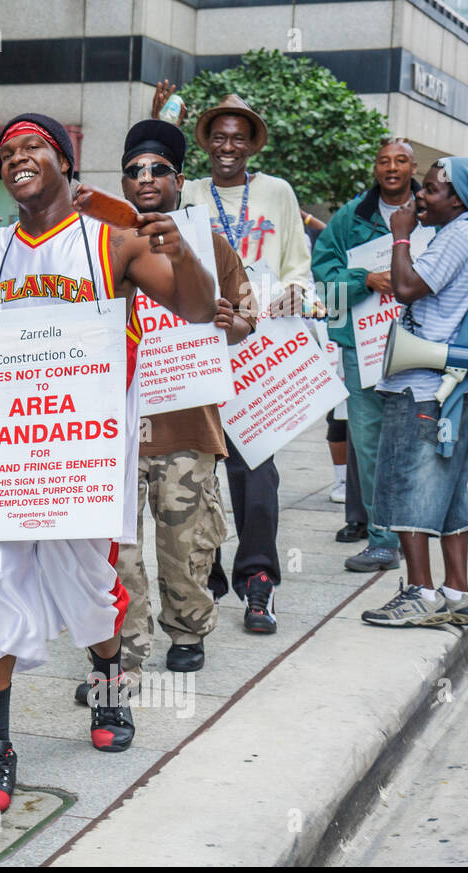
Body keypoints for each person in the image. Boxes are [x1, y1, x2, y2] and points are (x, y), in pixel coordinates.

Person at [0, 112, 215, 814]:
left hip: (82, 456)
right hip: (4, 457)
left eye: (33, 148)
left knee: (92, 586)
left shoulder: (111, 245)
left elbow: (199, 308)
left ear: (63, 161)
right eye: (7, 152)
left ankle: (109, 688)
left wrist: (186, 255)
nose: (17, 157)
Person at [69, 119, 253, 700]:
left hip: (186, 421)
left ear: (179, 179)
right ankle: (123, 650)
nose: (144, 179)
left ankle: (188, 629)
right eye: (133, 170)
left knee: (185, 539)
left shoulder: (209, 243)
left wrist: (232, 323)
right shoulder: (98, 243)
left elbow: (248, 319)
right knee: (116, 549)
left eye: (157, 170)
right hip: (113, 424)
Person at [179, 93, 312, 634]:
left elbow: (299, 266)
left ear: (252, 143)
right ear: (206, 142)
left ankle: (259, 584)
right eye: (218, 136)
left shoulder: (276, 193)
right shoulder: (186, 193)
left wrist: (297, 292)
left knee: (256, 472)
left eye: (239, 137)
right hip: (199, 345)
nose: (228, 146)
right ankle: (204, 580)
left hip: (262, 348)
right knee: (198, 471)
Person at [361, 157, 468, 627]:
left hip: (423, 389)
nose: (420, 196)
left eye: (432, 190)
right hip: (452, 388)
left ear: (456, 198)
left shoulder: (459, 234)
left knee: (404, 488)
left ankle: (420, 594)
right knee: (450, 494)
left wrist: (400, 233)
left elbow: (405, 285)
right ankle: (457, 594)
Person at [313, 137, 423, 572]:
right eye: (384, 161)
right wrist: (366, 279)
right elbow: (325, 281)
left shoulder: (433, 211)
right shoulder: (350, 218)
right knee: (371, 445)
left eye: (400, 161)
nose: (392, 168)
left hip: (424, 347)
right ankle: (382, 539)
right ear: (375, 168)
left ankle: (417, 528)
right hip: (366, 350)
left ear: (413, 167)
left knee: (420, 442)